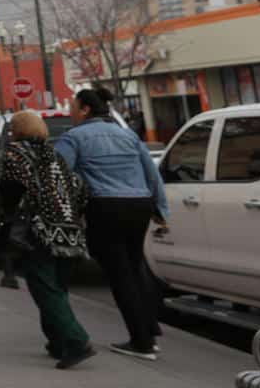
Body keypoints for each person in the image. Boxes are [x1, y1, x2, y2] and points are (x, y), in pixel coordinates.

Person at [56, 87, 169, 361]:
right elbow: (151, 173)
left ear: (85, 109)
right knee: (135, 266)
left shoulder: (73, 137)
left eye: (73, 107)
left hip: (105, 207)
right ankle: (150, 332)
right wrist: (160, 208)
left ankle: (141, 341)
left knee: (120, 274)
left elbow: (58, 174)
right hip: (139, 204)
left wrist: (66, 212)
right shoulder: (127, 134)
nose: (70, 112)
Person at [0, 110, 95, 370]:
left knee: (43, 285)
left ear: (16, 130)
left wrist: (9, 219)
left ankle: (76, 340)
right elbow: (79, 186)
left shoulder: (15, 153)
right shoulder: (54, 154)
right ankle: (56, 341)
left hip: (38, 228)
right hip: (69, 229)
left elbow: (10, 191)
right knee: (55, 286)